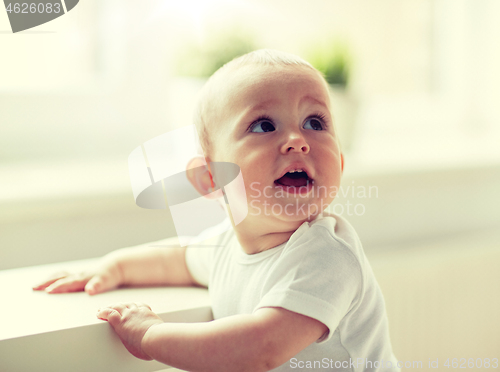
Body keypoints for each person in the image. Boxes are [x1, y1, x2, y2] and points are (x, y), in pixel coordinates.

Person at [33, 49, 399, 371]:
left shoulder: (328, 256)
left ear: (340, 161)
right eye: (264, 125)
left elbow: (259, 350)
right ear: (210, 179)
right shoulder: (227, 245)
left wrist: (150, 335)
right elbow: (174, 260)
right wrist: (113, 267)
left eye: (315, 122)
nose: (297, 141)